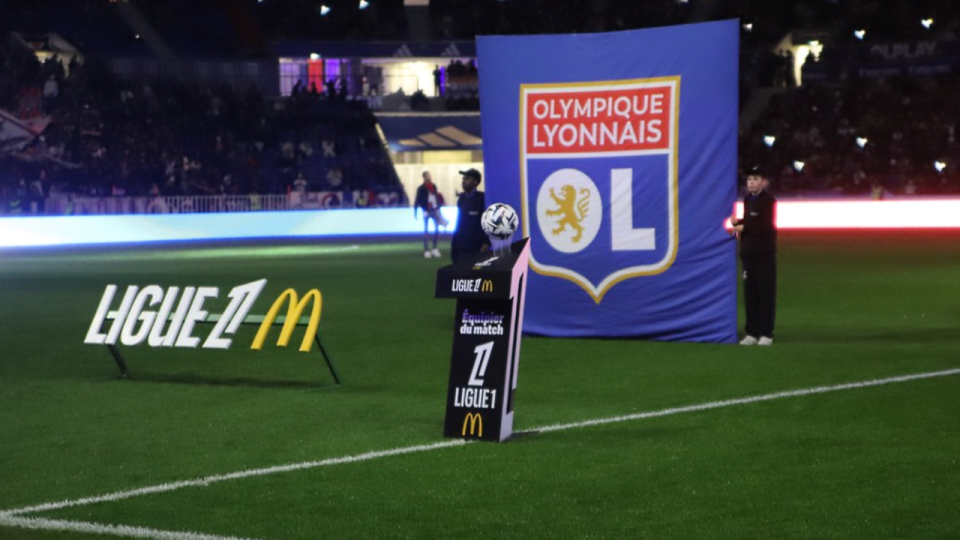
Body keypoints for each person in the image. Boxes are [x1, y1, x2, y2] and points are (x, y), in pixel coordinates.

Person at [730, 168, 777, 346]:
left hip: (764, 254)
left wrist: (743, 227)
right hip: (748, 254)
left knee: (765, 293)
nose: (751, 182)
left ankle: (766, 333)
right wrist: (738, 223)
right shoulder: (748, 200)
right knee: (750, 295)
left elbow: (766, 227)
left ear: (763, 182)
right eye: (749, 179)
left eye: (755, 179)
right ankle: (751, 332)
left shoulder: (769, 200)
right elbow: (750, 222)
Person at [451, 168, 488, 262]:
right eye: (463, 179)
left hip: (476, 247)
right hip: (461, 246)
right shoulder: (461, 199)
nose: (463, 181)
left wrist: (486, 242)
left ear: (475, 182)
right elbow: (459, 223)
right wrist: (454, 245)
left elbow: (488, 222)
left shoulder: (482, 198)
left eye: (467, 179)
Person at [414, 171, 447, 258]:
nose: (429, 177)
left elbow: (436, 197)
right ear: (424, 177)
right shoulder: (421, 188)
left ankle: (435, 248)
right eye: (428, 176)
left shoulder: (434, 186)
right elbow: (417, 199)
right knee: (426, 230)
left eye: (430, 175)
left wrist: (439, 208)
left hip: (435, 210)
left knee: (436, 229)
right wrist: (415, 211)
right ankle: (426, 250)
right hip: (426, 210)